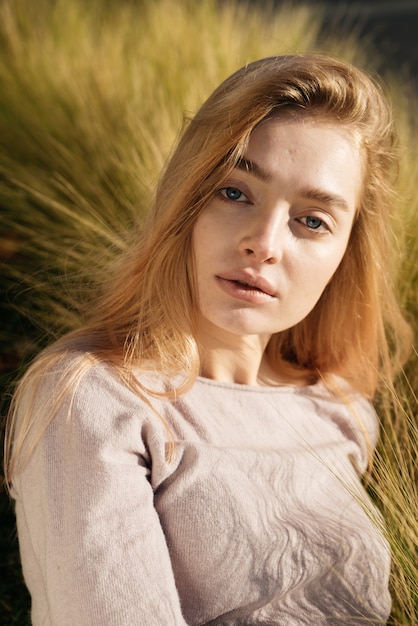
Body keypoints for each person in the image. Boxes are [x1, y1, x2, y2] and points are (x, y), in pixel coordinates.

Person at [4, 54, 412, 625]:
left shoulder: (342, 410)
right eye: (235, 192)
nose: (264, 243)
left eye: (312, 220)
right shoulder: (95, 396)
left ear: (346, 253)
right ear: (187, 199)